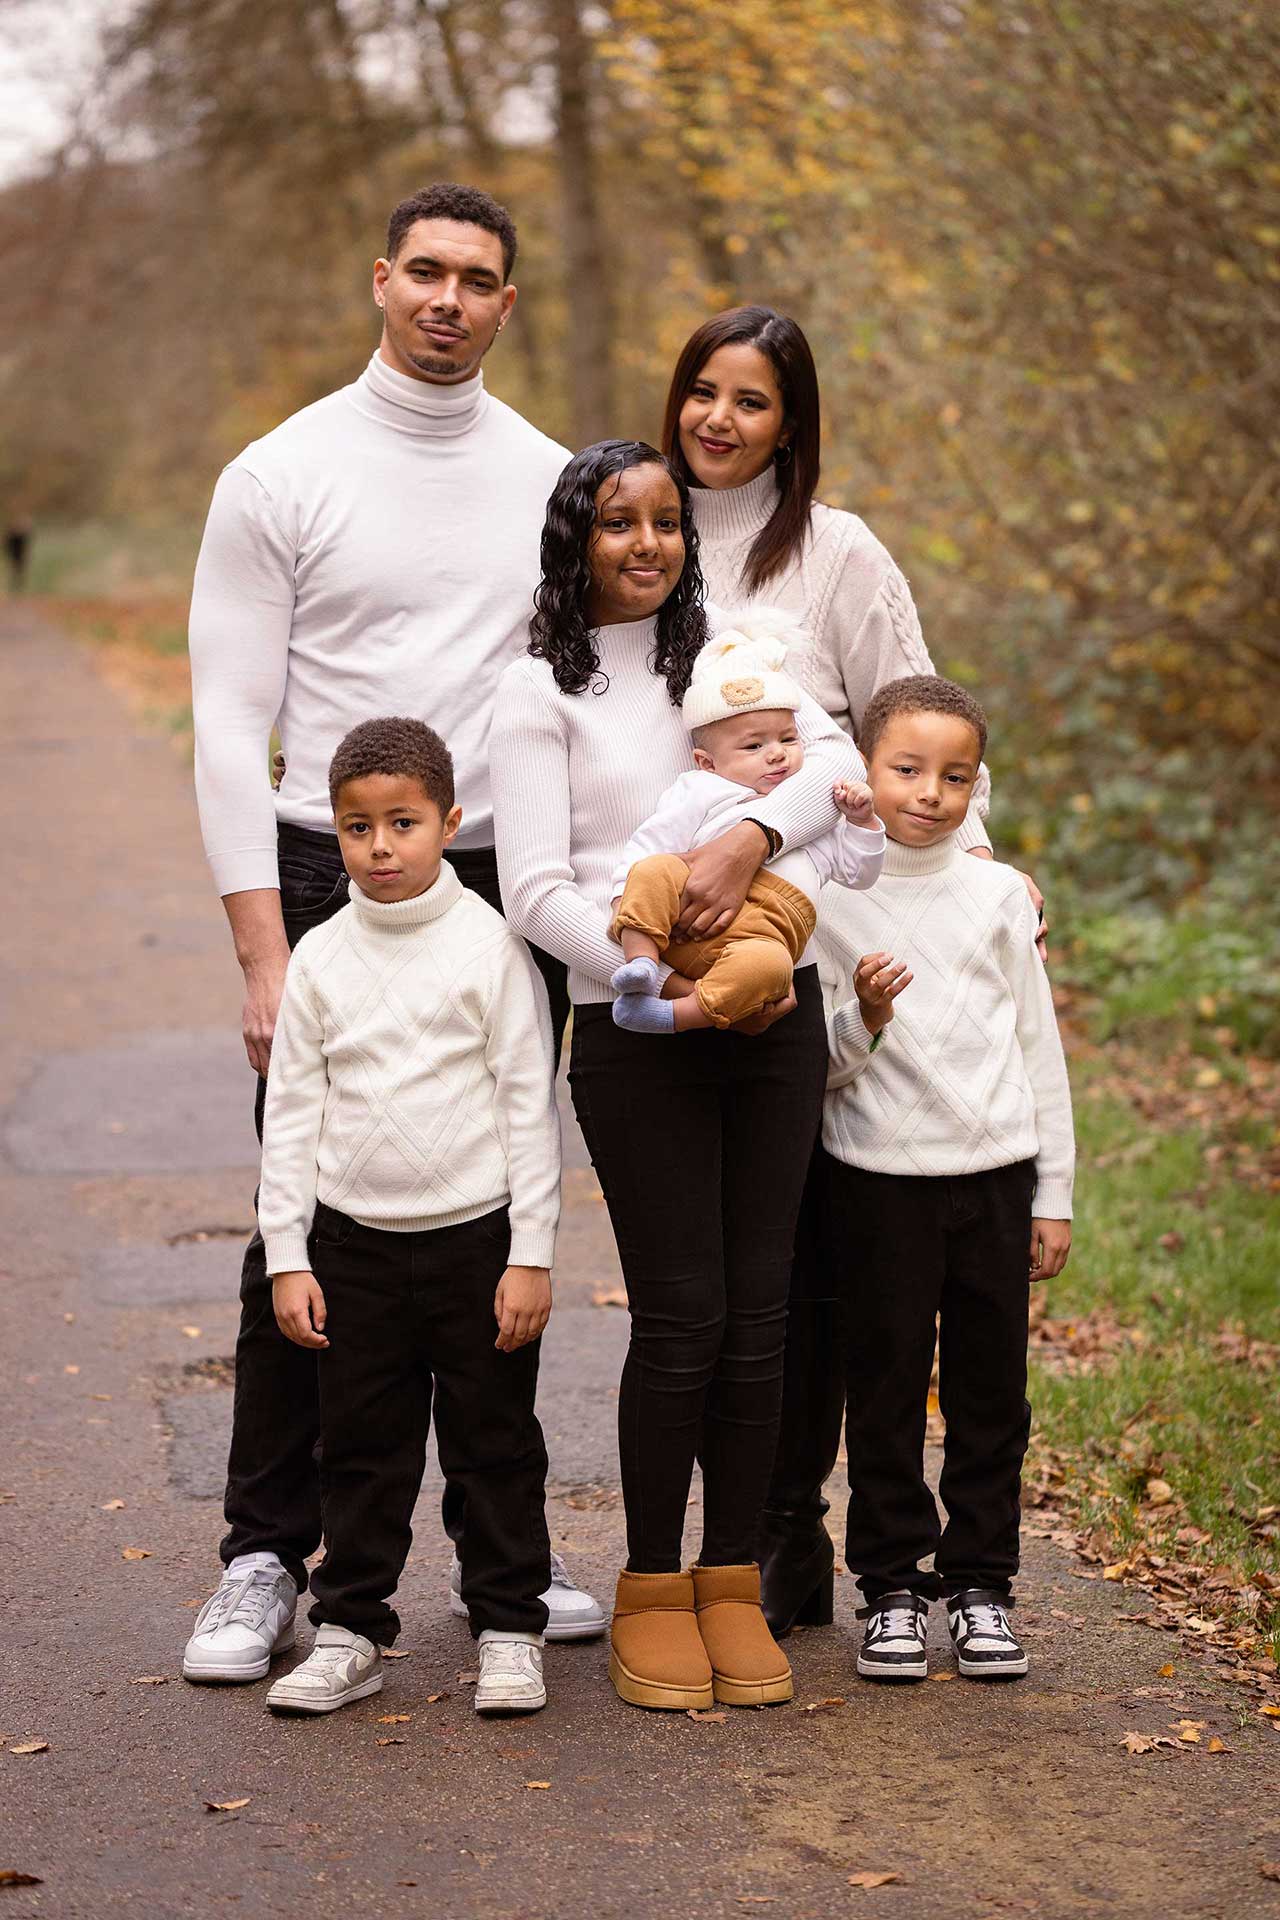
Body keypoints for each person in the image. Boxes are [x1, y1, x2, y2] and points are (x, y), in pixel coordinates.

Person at [183, 181, 602, 1689]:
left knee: (495, 1199)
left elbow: (591, 694)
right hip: (324, 871)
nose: (447, 297)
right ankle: (264, 1554)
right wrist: (259, 948)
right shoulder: (281, 472)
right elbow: (229, 718)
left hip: (505, 874)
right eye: (423, 270)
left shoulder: (553, 479)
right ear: (380, 280)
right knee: (311, 1203)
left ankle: (511, 1558)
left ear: (506, 301)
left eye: (476, 278)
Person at [661, 304, 1042, 1635]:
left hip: (831, 931)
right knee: (738, 1262)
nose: (721, 418)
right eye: (703, 390)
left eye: (753, 400)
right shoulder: (642, 537)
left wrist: (987, 877)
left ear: (793, 421)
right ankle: (769, 1526)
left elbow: (910, 716)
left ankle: (810, 1545)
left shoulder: (837, 552)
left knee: (830, 1249)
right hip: (685, 937)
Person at [491, 439, 861, 1712]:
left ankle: (730, 1580)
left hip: (772, 1018)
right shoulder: (539, 691)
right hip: (637, 1033)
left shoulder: (727, 656)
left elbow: (829, 768)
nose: (645, 542)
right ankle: (651, 1585)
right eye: (615, 523)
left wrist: (753, 835)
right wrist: (653, 986)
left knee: (760, 1319)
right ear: (574, 540)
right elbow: (536, 887)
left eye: (662, 521)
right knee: (683, 1317)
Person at [253, 717, 559, 1717]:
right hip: (352, 1248)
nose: (379, 848)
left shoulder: (489, 947)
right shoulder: (323, 960)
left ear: (448, 823)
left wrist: (531, 1255)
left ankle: (509, 1625)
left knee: (494, 1442)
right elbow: (291, 1113)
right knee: (361, 1448)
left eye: (402, 823)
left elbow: (527, 1104)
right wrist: (288, 1258)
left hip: (475, 1241)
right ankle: (349, 1629)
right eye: (356, 828)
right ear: (333, 834)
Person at [816, 675, 1074, 1680]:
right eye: (906, 769)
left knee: (988, 1396)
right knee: (881, 1389)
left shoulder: (1000, 895)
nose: (927, 792)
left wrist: (1052, 1192)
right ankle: (888, 1588)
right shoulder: (827, 898)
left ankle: (979, 1587)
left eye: (952, 775)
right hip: (877, 1178)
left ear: (977, 784)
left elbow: (1035, 1046)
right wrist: (864, 1023)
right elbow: (823, 1065)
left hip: (995, 1176)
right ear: (864, 772)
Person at [609, 614, 884, 1034]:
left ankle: (673, 1016)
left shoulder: (813, 809)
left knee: (773, 967)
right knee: (653, 869)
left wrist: (863, 822)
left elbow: (859, 874)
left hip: (757, 942)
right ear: (707, 762)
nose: (776, 754)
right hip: (681, 928)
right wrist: (625, 901)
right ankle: (641, 961)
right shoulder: (700, 790)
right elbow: (648, 847)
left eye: (788, 740)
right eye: (754, 745)